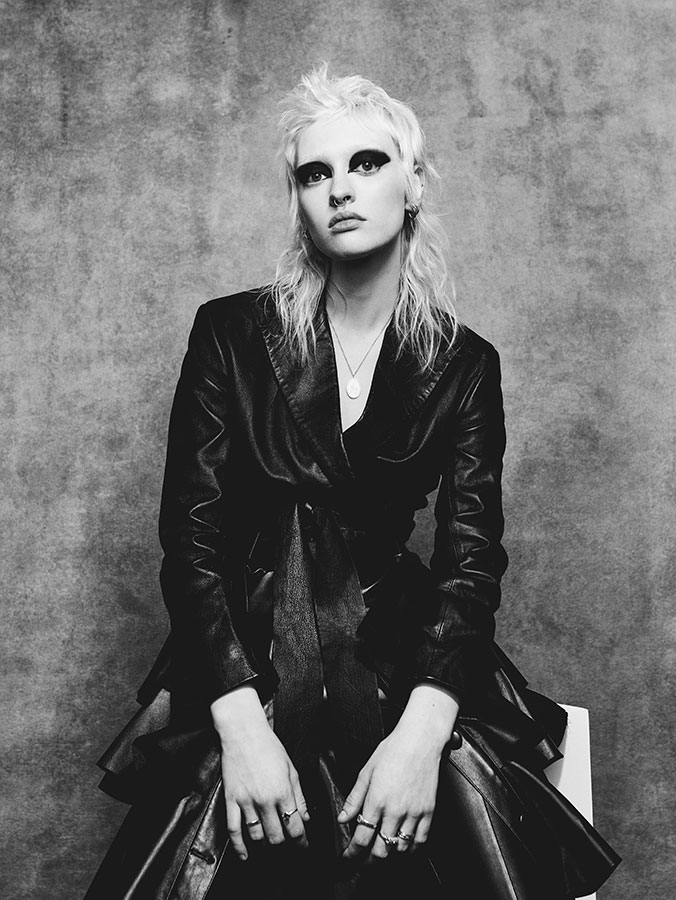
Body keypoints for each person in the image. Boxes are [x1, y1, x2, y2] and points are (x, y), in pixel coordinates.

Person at [83, 66, 620, 900]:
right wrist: (239, 725)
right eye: (315, 173)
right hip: (241, 653)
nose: (339, 188)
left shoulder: (465, 364)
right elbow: (190, 541)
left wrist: (422, 733)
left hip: (398, 644)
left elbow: (471, 561)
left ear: (414, 184)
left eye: (367, 163)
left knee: (470, 833)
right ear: (299, 202)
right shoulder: (230, 332)